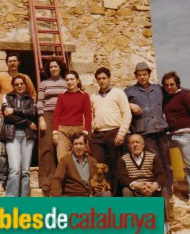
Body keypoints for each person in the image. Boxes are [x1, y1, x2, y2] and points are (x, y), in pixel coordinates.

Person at [51, 132, 124, 234]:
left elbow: (98, 178)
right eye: (76, 144)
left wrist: (103, 187)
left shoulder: (92, 161)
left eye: (81, 143)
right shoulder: (65, 161)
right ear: (72, 146)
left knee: (106, 196)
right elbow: (57, 179)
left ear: (86, 145)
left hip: (89, 197)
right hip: (72, 197)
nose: (79, 147)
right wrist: (55, 195)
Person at [117, 134, 177, 234]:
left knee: (163, 190)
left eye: (137, 142)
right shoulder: (123, 160)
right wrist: (136, 185)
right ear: (128, 146)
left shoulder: (152, 157)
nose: (135, 145)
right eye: (132, 143)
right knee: (126, 191)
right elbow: (122, 177)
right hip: (135, 190)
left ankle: (166, 230)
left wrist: (155, 185)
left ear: (143, 144)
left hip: (151, 189)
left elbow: (161, 174)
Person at [125, 62, 174, 196]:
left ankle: (168, 192)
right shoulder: (129, 91)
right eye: (139, 75)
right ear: (136, 76)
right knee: (156, 161)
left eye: (145, 74)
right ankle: (159, 191)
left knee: (167, 162)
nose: (142, 77)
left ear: (149, 75)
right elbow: (120, 102)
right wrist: (129, 104)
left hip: (161, 129)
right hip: (144, 132)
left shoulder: (158, 88)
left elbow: (174, 89)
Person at [0, 52, 37, 194]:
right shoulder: (6, 96)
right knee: (14, 167)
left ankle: (24, 199)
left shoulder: (30, 100)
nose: (19, 86)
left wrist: (16, 111)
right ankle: (10, 196)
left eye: (21, 84)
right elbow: (9, 117)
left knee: (25, 170)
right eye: (16, 84)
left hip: (27, 135)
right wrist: (27, 121)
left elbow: (32, 113)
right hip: (11, 132)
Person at [90, 67, 132, 196]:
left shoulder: (118, 93)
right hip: (98, 135)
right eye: (99, 79)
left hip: (114, 132)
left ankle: (115, 195)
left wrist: (121, 133)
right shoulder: (93, 97)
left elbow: (127, 114)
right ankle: (100, 195)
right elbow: (91, 117)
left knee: (115, 166)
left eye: (104, 78)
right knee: (97, 166)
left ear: (109, 79)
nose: (101, 81)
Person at [162, 71, 190, 203]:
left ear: (177, 84)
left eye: (172, 84)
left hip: (186, 134)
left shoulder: (184, 95)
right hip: (171, 135)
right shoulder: (165, 97)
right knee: (162, 159)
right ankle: (168, 191)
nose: (169, 87)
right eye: (166, 85)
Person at [37, 58, 68, 196]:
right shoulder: (44, 83)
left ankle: (61, 182)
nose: (53, 69)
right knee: (46, 147)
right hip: (48, 115)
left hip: (63, 115)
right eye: (51, 67)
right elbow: (39, 101)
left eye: (55, 66)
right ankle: (46, 182)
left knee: (62, 147)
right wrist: (41, 118)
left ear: (60, 68)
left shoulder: (66, 82)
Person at [52, 70, 91, 160]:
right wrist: (55, 132)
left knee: (79, 157)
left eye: (72, 79)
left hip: (78, 130)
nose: (69, 82)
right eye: (67, 80)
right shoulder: (61, 96)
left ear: (77, 80)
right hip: (63, 131)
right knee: (62, 158)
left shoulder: (84, 96)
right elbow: (56, 115)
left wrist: (85, 132)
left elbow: (88, 115)